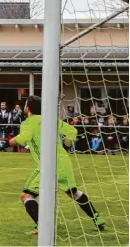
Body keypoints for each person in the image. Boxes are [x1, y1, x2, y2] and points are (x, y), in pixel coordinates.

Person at [8, 95, 105, 235]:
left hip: (48, 165)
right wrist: (66, 145)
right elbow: (72, 131)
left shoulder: (28, 122)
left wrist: (9, 142)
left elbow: (23, 138)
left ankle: (42, 226)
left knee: (26, 196)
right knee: (73, 192)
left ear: (28, 108)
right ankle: (98, 218)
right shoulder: (51, 120)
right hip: (64, 162)